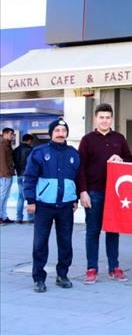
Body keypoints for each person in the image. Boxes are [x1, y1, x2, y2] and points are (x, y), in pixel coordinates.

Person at [78, 103, 132, 284]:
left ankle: (114, 267)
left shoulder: (119, 138)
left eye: (107, 117)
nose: (104, 120)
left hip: (115, 193)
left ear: (112, 119)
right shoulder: (87, 140)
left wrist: (121, 158)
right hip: (94, 192)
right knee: (92, 231)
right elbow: (80, 168)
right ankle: (91, 269)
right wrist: (83, 192)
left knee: (113, 230)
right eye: (101, 117)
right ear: (96, 119)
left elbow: (130, 159)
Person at [23, 119, 80, 292]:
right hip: (43, 206)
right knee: (40, 243)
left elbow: (77, 178)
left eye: (63, 130)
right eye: (57, 130)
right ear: (51, 133)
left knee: (65, 243)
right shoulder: (39, 152)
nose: (60, 133)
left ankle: (62, 275)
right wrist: (30, 200)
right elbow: (30, 177)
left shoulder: (73, 153)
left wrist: (75, 199)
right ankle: (39, 278)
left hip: (65, 207)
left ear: (67, 133)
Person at [13, 134, 34, 223]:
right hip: (28, 176)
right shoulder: (30, 150)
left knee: (20, 197)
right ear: (29, 140)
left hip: (19, 175)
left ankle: (19, 217)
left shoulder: (16, 150)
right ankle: (30, 217)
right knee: (30, 196)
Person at [0, 127, 16, 224]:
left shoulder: (7, 144)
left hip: (7, 174)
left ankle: (4, 216)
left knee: (5, 197)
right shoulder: (2, 144)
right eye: (11, 134)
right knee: (2, 196)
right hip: (4, 175)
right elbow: (2, 161)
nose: (12, 136)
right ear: (5, 134)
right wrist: (6, 174)